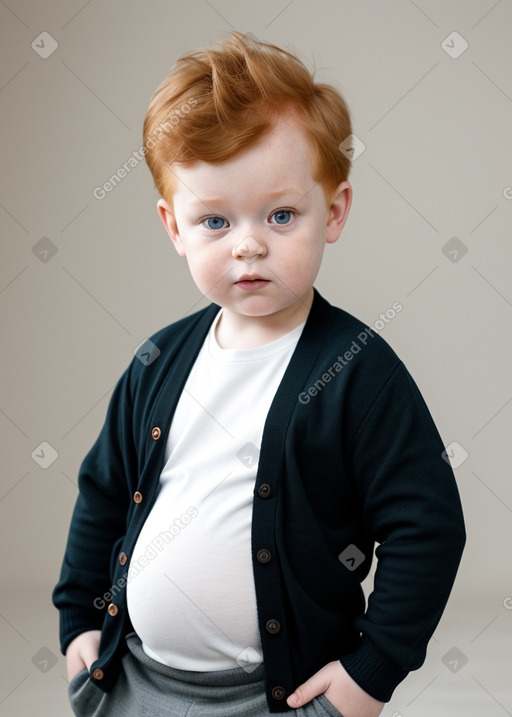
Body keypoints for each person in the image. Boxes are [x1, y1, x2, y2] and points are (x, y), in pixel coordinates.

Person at [52, 31, 466, 717]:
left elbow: (428, 524)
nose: (248, 244)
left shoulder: (356, 371)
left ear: (331, 212)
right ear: (174, 227)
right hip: (133, 680)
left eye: (280, 214)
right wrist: (79, 620)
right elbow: (102, 495)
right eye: (214, 219)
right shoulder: (159, 361)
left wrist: (370, 672)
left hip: (278, 696)